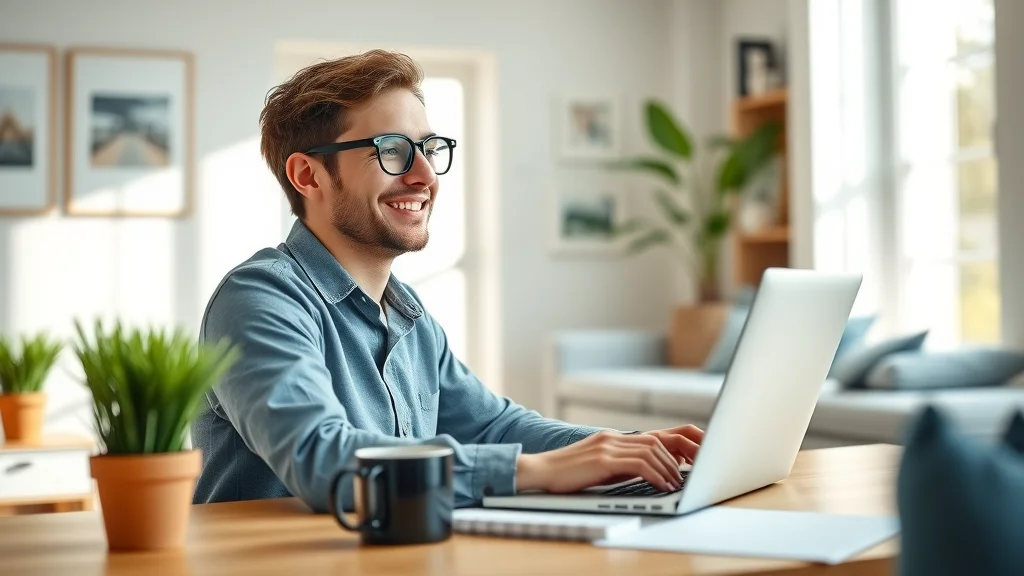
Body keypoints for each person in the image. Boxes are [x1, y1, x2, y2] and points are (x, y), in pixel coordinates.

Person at [190, 49, 705, 513]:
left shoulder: (407, 314)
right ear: (309, 175)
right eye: (392, 150)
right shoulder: (260, 299)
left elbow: (493, 426)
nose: (425, 177)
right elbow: (323, 459)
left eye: (429, 148)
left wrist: (625, 447)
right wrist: (539, 471)